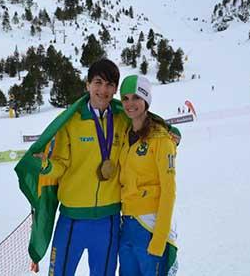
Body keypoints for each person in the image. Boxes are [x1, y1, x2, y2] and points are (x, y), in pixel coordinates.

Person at [31, 58, 129, 275]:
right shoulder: (70, 121)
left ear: (115, 89)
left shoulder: (123, 119)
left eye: (110, 84)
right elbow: (61, 164)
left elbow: (149, 124)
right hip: (72, 220)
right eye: (98, 82)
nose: (103, 90)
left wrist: (172, 134)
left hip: (109, 219)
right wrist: (46, 166)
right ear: (87, 85)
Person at [118, 75, 178, 275]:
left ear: (146, 100)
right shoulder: (126, 137)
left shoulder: (162, 139)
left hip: (151, 227)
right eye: (125, 98)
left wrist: (159, 240)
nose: (130, 104)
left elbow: (169, 192)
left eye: (136, 97)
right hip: (127, 226)